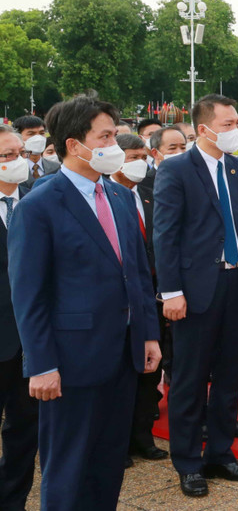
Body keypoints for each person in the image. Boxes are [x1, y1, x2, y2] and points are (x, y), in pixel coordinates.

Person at [9, 95, 160, 509]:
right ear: (75, 145)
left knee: (108, 463)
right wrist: (41, 364)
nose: (114, 144)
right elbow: (29, 294)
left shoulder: (117, 197)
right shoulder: (40, 205)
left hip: (123, 354)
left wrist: (148, 335)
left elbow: (136, 275)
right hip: (71, 361)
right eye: (105, 136)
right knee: (68, 466)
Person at [153, 94, 238, 498]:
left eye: (236, 122)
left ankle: (220, 452)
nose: (235, 130)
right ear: (203, 129)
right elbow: (165, 235)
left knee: (230, 374)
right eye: (226, 124)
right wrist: (171, 291)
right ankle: (187, 462)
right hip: (194, 289)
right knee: (189, 378)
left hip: (236, 283)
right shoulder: (177, 170)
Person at [111, 133, 169, 463]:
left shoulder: (149, 192)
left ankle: (143, 436)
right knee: (119, 373)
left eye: (141, 156)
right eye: (131, 157)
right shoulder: (104, 195)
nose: (139, 163)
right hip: (118, 300)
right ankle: (117, 442)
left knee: (150, 369)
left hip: (152, 295)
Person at [0, 126, 38, 509]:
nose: (16, 162)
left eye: (20, 153)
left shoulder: (34, 201)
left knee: (25, 431)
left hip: (31, 340)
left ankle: (12, 501)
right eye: (5, 157)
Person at [13, 116, 60, 185]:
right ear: (18, 137)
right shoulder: (11, 169)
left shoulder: (56, 168)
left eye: (41, 133)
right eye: (31, 134)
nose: (38, 138)